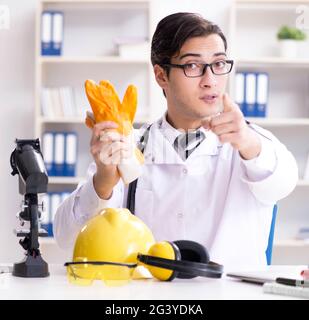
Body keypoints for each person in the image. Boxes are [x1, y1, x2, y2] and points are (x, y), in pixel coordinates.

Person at [54, 12, 298, 268]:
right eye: (192, 66)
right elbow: (66, 237)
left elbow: (283, 184)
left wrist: (248, 143)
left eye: (218, 64)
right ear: (161, 76)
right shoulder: (126, 145)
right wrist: (103, 181)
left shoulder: (249, 142)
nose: (210, 81)